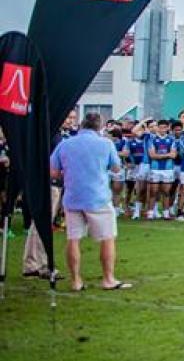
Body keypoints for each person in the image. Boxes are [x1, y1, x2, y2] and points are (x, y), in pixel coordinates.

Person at [50, 112, 129, 291]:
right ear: (99, 126)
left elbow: (53, 172)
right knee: (107, 238)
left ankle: (76, 281)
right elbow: (117, 168)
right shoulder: (106, 143)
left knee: (73, 239)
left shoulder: (65, 144)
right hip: (98, 197)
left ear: (82, 124)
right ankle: (108, 279)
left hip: (73, 197)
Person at [144, 119, 177, 221]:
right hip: (155, 169)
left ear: (168, 128)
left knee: (166, 192)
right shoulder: (152, 139)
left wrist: (160, 155)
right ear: (157, 128)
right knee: (153, 192)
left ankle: (166, 214)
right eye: (160, 127)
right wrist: (167, 155)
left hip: (168, 169)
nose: (162, 129)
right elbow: (152, 155)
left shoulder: (172, 140)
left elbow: (174, 155)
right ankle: (150, 213)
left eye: (164, 127)